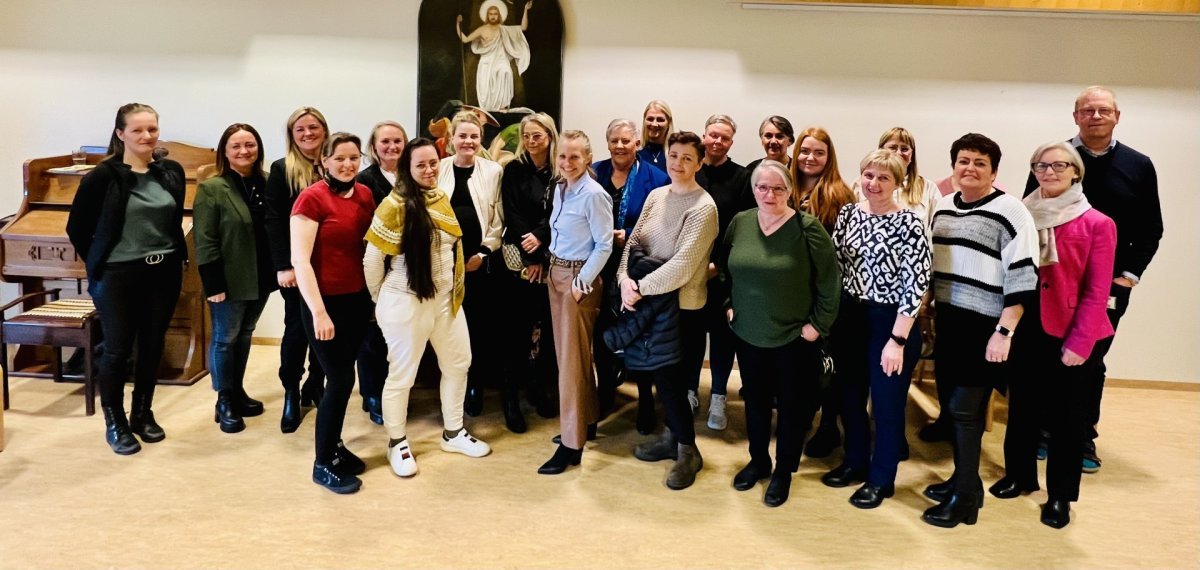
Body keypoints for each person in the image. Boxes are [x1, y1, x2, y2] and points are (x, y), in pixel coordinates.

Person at [1023, 86, 1163, 474]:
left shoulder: (1139, 165)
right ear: (1075, 116)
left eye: (1103, 110)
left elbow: (1151, 228)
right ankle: (1044, 431)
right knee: (1046, 357)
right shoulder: (1054, 157)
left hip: (1107, 286)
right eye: (1087, 110)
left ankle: (1082, 436)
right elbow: (1028, 218)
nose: (1095, 116)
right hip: (1051, 283)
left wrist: (1127, 277)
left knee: (1090, 358)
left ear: (1117, 116)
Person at [995, 142, 1117, 528]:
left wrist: (1080, 343)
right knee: (1023, 409)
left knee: (1067, 421)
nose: (1049, 172)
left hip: (1071, 332)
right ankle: (1019, 476)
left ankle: (1061, 496)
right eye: (1041, 165)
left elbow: (1098, 291)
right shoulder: (1021, 214)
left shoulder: (1097, 223)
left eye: (1059, 165)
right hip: (1025, 324)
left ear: (1076, 171)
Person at [921, 133, 1039, 528]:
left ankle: (965, 500)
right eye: (963, 161)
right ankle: (964, 479)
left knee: (964, 410)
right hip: (950, 323)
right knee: (952, 409)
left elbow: (1023, 276)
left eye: (979, 163)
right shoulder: (944, 208)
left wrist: (1004, 333)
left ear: (994, 171)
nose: (970, 168)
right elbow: (935, 265)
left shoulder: (1011, 211)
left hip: (987, 328)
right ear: (953, 166)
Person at [365, 137, 492, 479]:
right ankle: (397, 442)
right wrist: (382, 301)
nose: (429, 170)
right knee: (402, 375)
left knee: (458, 364)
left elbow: (451, 251)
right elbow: (372, 260)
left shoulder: (440, 198)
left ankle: (453, 433)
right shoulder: (394, 205)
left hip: (446, 300)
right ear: (407, 168)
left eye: (433, 163)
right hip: (406, 300)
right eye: (420, 164)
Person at [718, 160, 841, 507]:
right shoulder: (741, 223)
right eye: (762, 187)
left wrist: (818, 326)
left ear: (790, 191)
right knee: (755, 404)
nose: (769, 195)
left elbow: (830, 283)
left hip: (794, 339)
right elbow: (725, 268)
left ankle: (784, 471)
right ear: (753, 189)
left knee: (792, 409)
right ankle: (759, 461)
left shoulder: (807, 228)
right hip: (748, 334)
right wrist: (728, 304)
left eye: (778, 188)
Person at [66, 103, 187, 455]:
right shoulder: (102, 177)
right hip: (119, 275)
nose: (147, 136)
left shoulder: (171, 172)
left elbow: (172, 219)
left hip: (163, 270)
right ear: (120, 133)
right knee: (117, 348)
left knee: (152, 345)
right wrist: (101, 262)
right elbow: (77, 228)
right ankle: (115, 421)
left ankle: (142, 414)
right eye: (137, 130)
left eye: (152, 129)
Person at [824, 150, 930, 508]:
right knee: (850, 396)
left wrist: (897, 340)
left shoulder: (910, 223)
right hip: (851, 317)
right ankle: (854, 461)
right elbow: (836, 266)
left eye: (884, 177)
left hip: (891, 323)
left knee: (886, 405)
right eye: (869, 175)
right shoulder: (849, 214)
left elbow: (916, 284)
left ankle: (882, 479)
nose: (874, 183)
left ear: (898, 182)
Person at [615, 131, 718, 490]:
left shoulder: (703, 207)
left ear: (699, 163)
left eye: (688, 158)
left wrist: (639, 288)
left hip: (683, 307)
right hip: (651, 301)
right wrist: (623, 279)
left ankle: (689, 452)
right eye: (674, 155)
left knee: (674, 381)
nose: (678, 163)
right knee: (662, 378)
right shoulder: (657, 195)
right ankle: (671, 439)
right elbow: (633, 242)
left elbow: (683, 266)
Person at [290, 132, 377, 494]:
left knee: (345, 380)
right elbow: (300, 261)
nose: (347, 164)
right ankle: (322, 463)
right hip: (323, 304)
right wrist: (319, 313)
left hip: (356, 301)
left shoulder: (365, 195)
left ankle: (335, 445)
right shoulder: (311, 199)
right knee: (339, 380)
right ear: (324, 160)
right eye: (339, 158)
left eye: (354, 158)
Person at [538, 130, 613, 475]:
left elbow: (604, 244)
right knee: (573, 358)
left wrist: (581, 284)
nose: (567, 163)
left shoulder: (594, 195)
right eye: (562, 156)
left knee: (571, 364)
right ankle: (587, 420)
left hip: (577, 280)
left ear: (587, 158)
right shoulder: (561, 188)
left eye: (574, 157)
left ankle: (572, 444)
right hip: (556, 274)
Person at [194, 123, 277, 433]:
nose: (244, 151)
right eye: (236, 146)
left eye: (250, 145)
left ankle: (237, 390)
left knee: (244, 334)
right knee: (225, 338)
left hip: (261, 277)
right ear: (225, 152)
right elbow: (205, 239)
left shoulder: (268, 182)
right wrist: (212, 283)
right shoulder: (212, 188)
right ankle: (224, 399)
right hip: (228, 279)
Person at [593, 118, 669, 432]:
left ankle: (645, 401)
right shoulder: (594, 172)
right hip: (597, 265)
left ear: (636, 143)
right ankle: (605, 394)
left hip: (637, 265)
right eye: (614, 141)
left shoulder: (657, 178)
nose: (620, 146)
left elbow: (662, 223)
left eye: (626, 141)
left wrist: (629, 235)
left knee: (640, 332)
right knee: (601, 332)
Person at [789, 126, 856, 458]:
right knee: (797, 364)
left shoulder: (840, 195)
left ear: (829, 158)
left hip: (825, 293)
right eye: (805, 150)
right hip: (790, 293)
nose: (810, 158)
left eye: (819, 152)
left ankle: (829, 426)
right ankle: (800, 418)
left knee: (828, 364)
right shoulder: (785, 187)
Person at [437, 111, 505, 417]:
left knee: (477, 327)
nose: (468, 141)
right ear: (451, 139)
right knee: (446, 327)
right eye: (462, 136)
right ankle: (450, 385)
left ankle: (474, 385)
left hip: (478, 264)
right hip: (442, 264)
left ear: (481, 139)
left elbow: (499, 219)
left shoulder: (493, 171)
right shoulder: (438, 168)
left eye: (474, 136)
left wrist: (483, 252)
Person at [265, 106, 329, 433]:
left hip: (330, 265)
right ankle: (291, 390)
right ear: (292, 135)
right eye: (300, 129)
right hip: (297, 267)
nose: (307, 133)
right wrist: (283, 266)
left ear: (324, 129)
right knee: (297, 330)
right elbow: (274, 220)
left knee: (326, 329)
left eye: (313, 127)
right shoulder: (282, 169)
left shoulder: (335, 164)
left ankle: (315, 383)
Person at [499, 113, 561, 432]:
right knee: (516, 332)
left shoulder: (559, 172)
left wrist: (541, 238)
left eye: (537, 135)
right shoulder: (513, 169)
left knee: (546, 331)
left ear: (550, 136)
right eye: (526, 136)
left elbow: (559, 214)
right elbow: (511, 212)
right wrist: (532, 252)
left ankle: (540, 389)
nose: (531, 141)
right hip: (518, 261)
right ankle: (511, 400)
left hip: (551, 258)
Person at [696, 114, 753, 430]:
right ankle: (690, 392)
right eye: (713, 135)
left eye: (725, 137)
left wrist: (717, 264)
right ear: (704, 136)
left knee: (722, 338)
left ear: (731, 142)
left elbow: (743, 227)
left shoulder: (742, 177)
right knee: (691, 336)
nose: (717, 141)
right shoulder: (691, 170)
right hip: (690, 272)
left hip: (723, 272)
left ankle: (718, 396)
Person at [355, 120, 410, 426]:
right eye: (385, 142)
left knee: (398, 336)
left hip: (406, 269)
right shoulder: (364, 181)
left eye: (397, 141)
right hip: (376, 266)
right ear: (374, 147)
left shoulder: (413, 175)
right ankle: (372, 394)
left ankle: (395, 395)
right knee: (373, 336)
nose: (392, 147)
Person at [456, 0, 533, 111]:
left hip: (501, 60)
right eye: (490, 14)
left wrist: (525, 10)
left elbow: (523, 27)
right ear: (487, 15)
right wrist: (458, 25)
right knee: (486, 86)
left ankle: (502, 106)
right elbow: (465, 39)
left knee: (505, 72)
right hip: (486, 62)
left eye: (495, 14)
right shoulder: (482, 29)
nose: (493, 16)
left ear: (499, 15)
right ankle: (489, 109)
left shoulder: (504, 29)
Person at [637, 100, 673, 172]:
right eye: (650, 119)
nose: (654, 124)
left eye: (660, 120)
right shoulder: (635, 153)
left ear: (669, 123)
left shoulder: (675, 155)